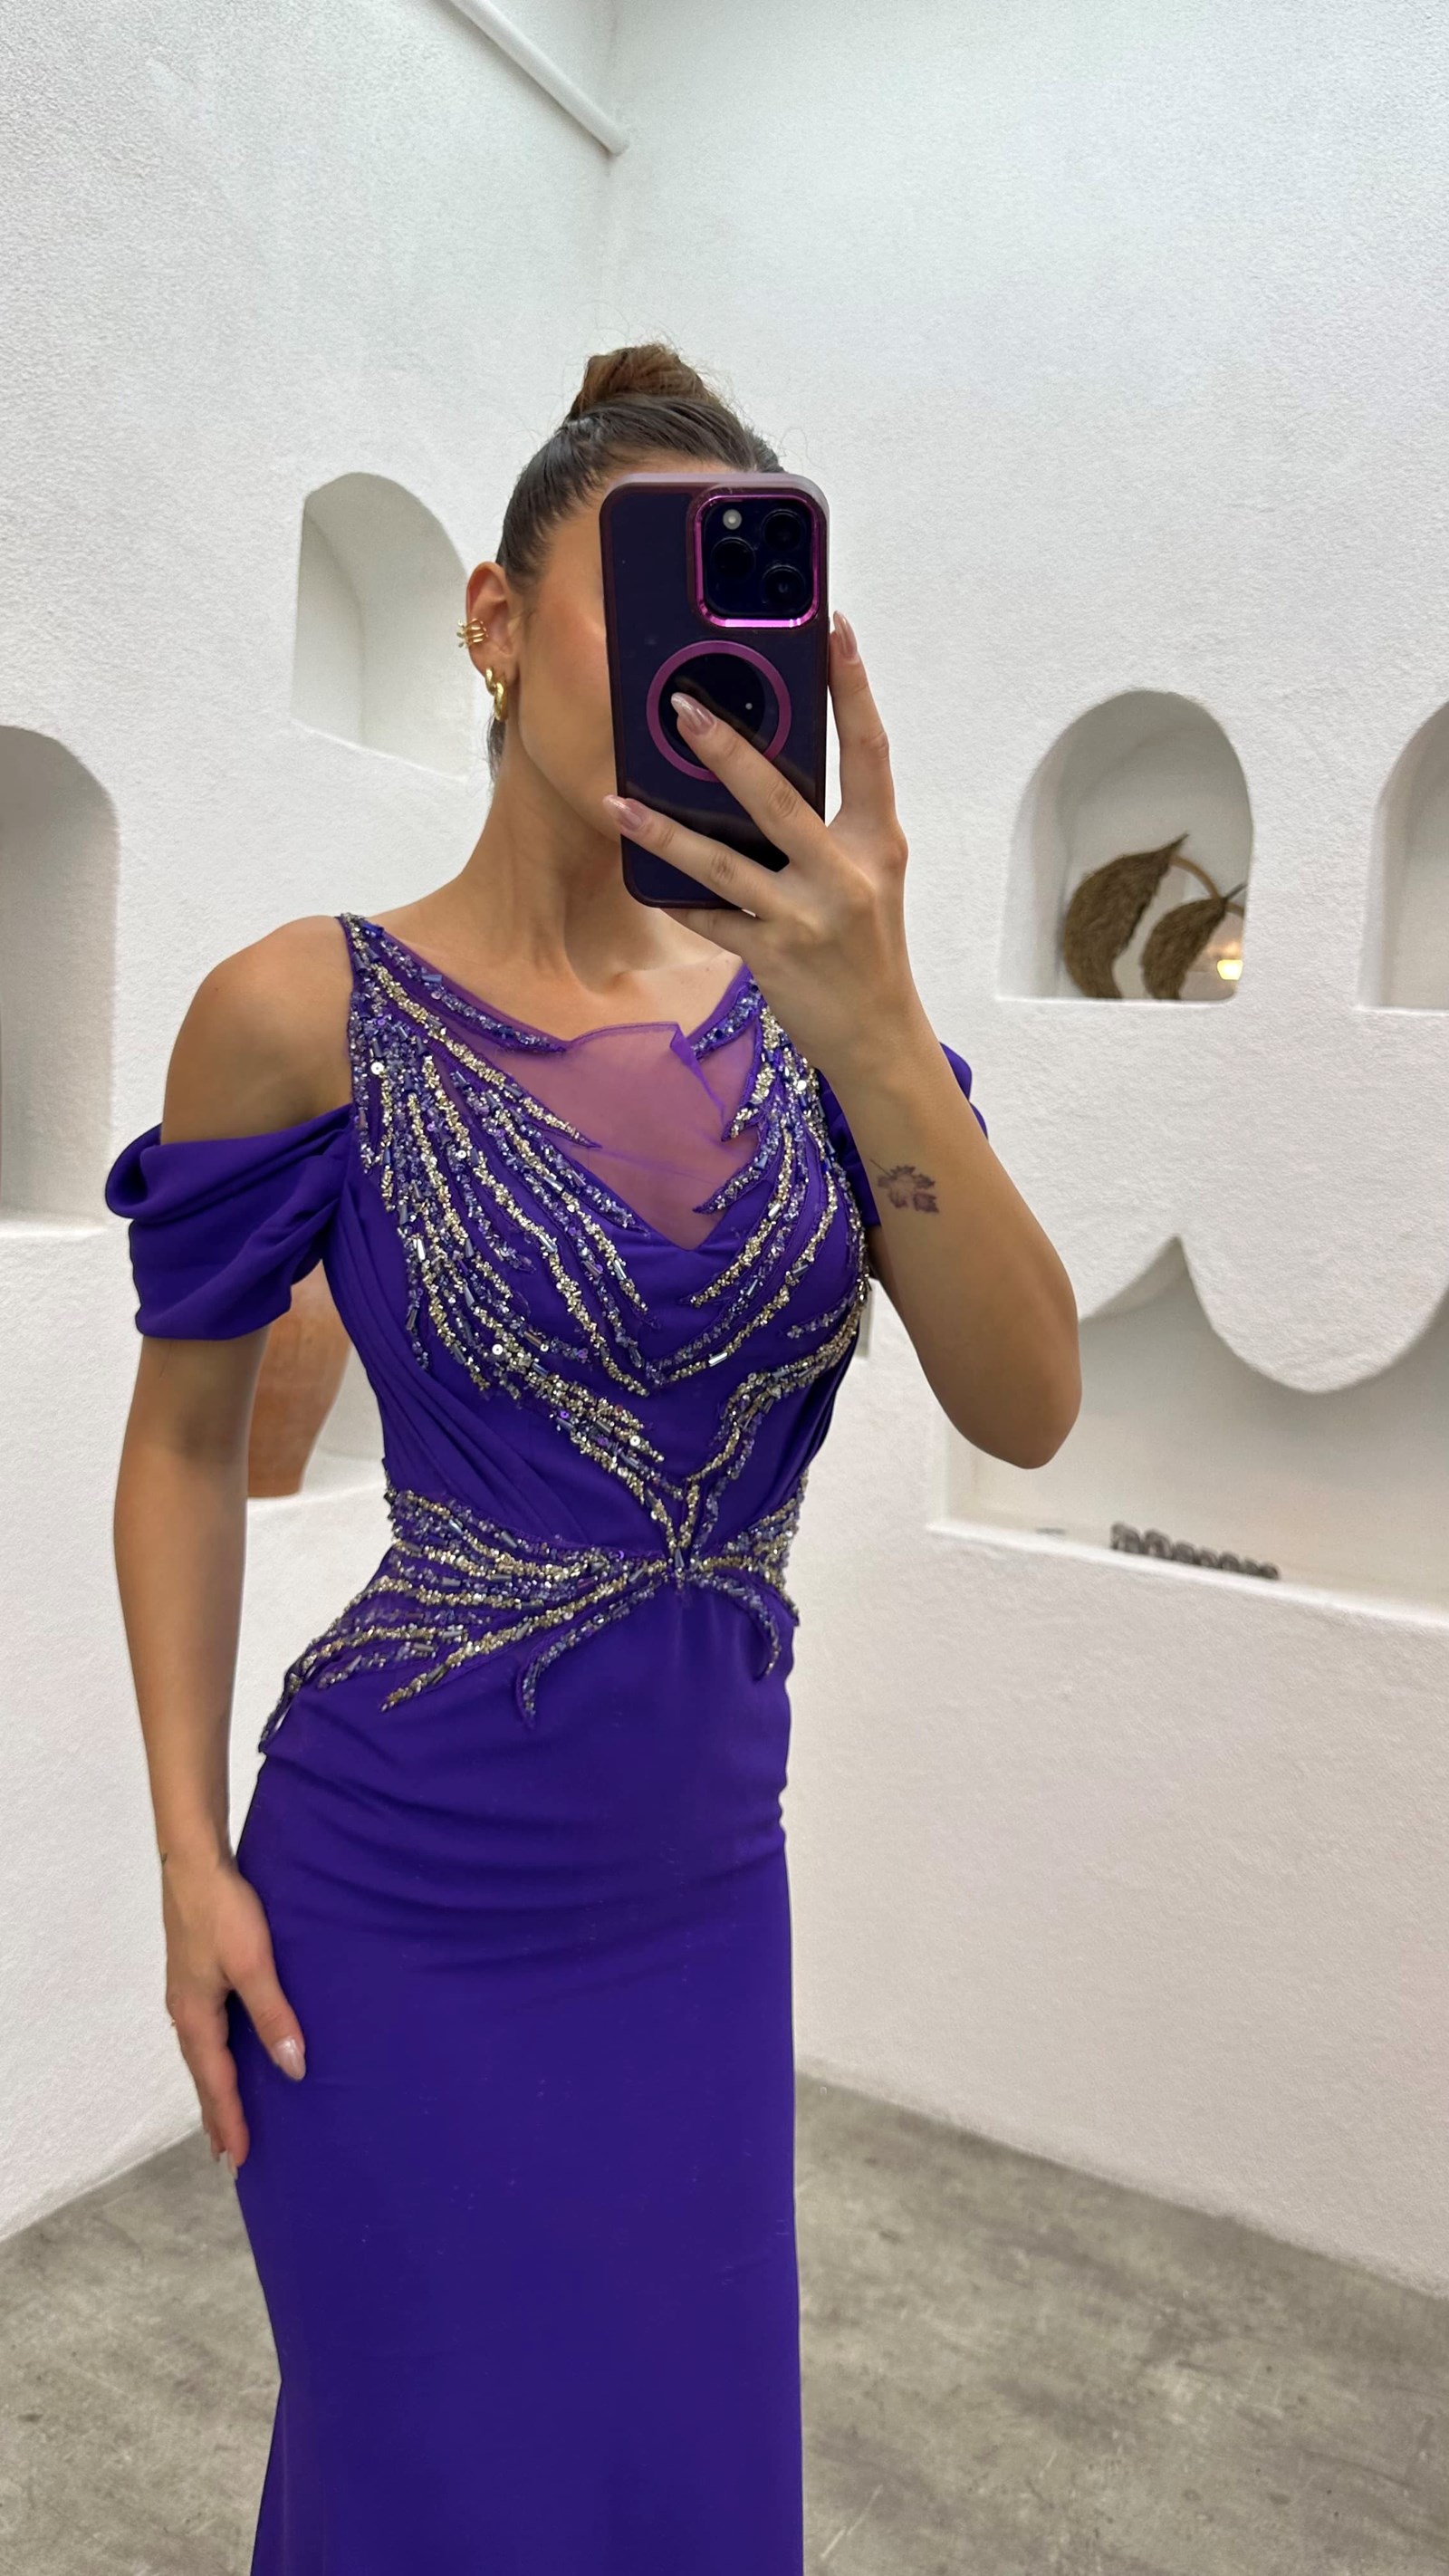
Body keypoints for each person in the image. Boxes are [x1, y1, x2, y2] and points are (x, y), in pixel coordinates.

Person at [105, 341, 1080, 2572]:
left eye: (734, 613)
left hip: (699, 1904)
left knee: (674, 2498)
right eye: (634, 592)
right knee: (432, 2497)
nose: (686, 667)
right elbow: (185, 1450)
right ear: (486, 619)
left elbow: (1025, 1404)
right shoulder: (300, 1013)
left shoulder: (828, 1022)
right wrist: (179, 1857)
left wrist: (874, 1018)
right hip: (386, 1912)